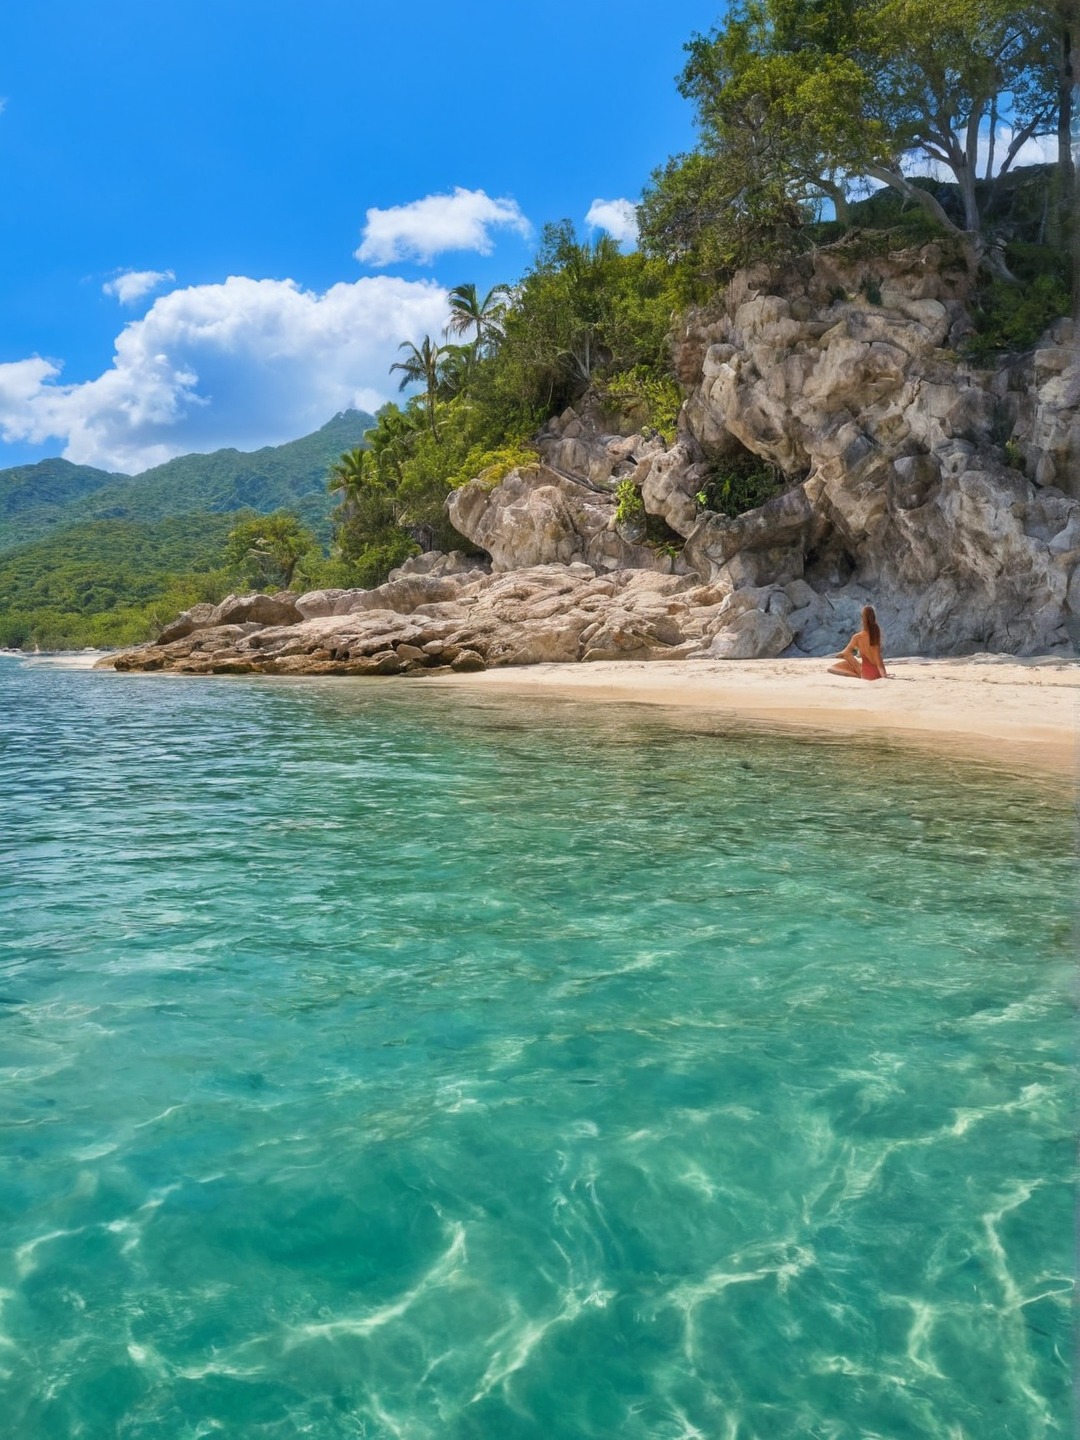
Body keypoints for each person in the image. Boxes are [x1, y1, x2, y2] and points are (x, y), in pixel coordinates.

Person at [828, 604, 889, 680]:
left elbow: (845, 653)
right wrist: (884, 675)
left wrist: (837, 655)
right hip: (878, 673)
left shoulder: (857, 637)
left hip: (866, 674)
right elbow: (878, 660)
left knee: (847, 655)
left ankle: (859, 670)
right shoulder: (876, 633)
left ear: (863, 619)